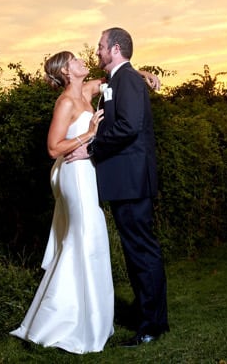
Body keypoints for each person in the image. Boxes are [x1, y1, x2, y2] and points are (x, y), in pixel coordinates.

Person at [11, 51, 114, 353]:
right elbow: (53, 148)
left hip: (87, 172)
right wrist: (90, 133)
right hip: (74, 175)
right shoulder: (66, 102)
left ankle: (89, 317)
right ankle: (63, 323)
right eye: (75, 60)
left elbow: (113, 77)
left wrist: (143, 74)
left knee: (89, 240)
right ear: (67, 72)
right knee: (85, 238)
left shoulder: (85, 91)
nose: (82, 61)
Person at [88, 27, 169, 346]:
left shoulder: (128, 80)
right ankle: (147, 315)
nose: (97, 51)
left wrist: (93, 147)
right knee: (136, 252)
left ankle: (151, 326)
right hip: (125, 182)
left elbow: (129, 126)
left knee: (142, 252)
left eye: (100, 46)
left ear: (115, 49)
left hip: (132, 181)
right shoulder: (120, 79)